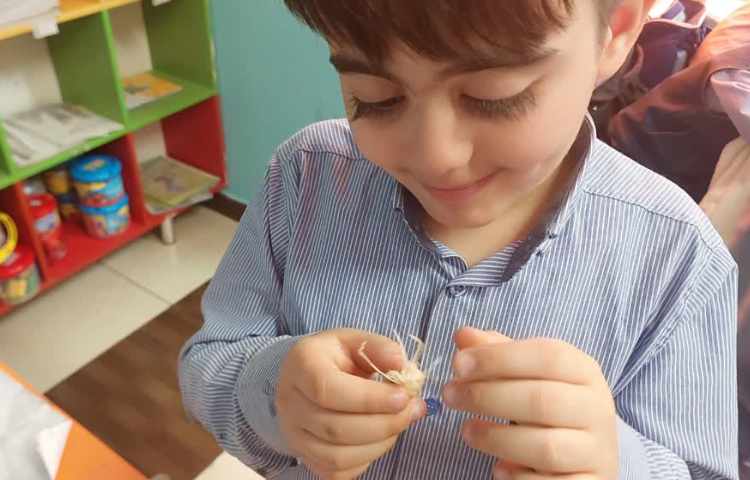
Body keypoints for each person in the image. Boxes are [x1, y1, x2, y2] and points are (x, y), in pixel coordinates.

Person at [178, 0, 738, 478]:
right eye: (375, 97)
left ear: (614, 28)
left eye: (495, 95)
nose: (435, 157)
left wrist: (615, 463)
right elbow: (209, 363)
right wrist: (274, 391)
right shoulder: (306, 175)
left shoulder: (680, 259)